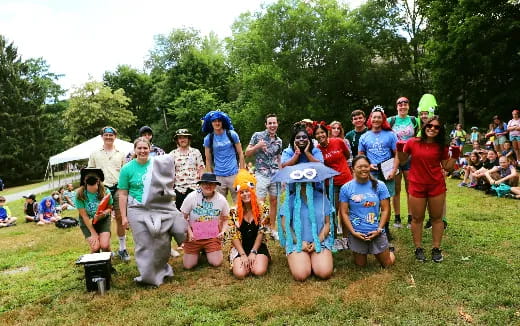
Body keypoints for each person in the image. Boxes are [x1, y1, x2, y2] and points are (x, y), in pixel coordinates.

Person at [119, 137, 186, 286]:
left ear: (150, 149)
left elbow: (169, 180)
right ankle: (148, 275)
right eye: (139, 148)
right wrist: (124, 217)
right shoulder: (127, 169)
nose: (142, 151)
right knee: (144, 242)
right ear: (134, 150)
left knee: (163, 239)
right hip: (137, 209)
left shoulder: (157, 165)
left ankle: (163, 268)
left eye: (145, 148)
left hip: (160, 206)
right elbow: (123, 194)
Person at [403, 116, 456, 263]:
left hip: (436, 185)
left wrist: (456, 155)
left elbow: (447, 167)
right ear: (424, 127)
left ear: (440, 130)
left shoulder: (441, 146)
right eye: (430, 126)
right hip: (417, 185)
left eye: (436, 127)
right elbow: (401, 160)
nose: (432, 129)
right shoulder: (413, 142)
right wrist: (399, 150)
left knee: (437, 218)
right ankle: (418, 248)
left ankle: (436, 248)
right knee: (417, 218)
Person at [279, 167, 334, 281]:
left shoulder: (322, 199)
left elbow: (328, 223)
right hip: (296, 242)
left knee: (324, 273)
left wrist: (317, 241)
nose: (304, 184)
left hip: (319, 241)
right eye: (301, 182)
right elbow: (285, 225)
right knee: (301, 275)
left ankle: (315, 260)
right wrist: (298, 242)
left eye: (307, 181)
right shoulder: (290, 200)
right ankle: (302, 259)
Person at [339, 155, 395, 267]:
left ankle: (390, 251)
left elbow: (385, 209)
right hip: (357, 233)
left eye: (366, 166)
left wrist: (379, 229)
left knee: (387, 264)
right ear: (353, 169)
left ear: (370, 167)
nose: (363, 169)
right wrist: (353, 232)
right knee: (360, 265)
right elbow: (344, 212)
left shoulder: (380, 185)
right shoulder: (346, 188)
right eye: (359, 167)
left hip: (376, 231)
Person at [88, 126, 129, 261]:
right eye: (106, 135)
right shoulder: (94, 154)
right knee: (102, 218)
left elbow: (125, 173)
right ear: (102, 137)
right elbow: (90, 173)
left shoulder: (120, 154)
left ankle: (122, 249)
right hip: (102, 190)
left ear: (115, 137)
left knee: (119, 218)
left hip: (118, 188)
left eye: (111, 135)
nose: (108, 137)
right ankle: (105, 248)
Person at [358, 106, 399, 239]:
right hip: (371, 174)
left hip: (387, 173)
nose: (376, 119)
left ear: (383, 119)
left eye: (379, 117)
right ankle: (371, 225)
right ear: (370, 119)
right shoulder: (364, 136)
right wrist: (368, 165)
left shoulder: (391, 135)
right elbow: (360, 155)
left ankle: (385, 228)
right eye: (374, 117)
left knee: (385, 202)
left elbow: (397, 154)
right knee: (370, 200)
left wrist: (394, 170)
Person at [314, 123, 352, 250]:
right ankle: (335, 239)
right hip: (331, 184)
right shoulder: (317, 149)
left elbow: (347, 155)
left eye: (322, 132)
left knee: (345, 211)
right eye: (317, 134)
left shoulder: (339, 142)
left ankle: (346, 238)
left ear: (327, 132)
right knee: (333, 212)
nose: (320, 135)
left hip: (346, 181)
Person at [180, 172, 230, 270]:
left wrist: (223, 231)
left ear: (216, 185)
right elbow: (182, 217)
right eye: (205, 183)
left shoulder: (221, 200)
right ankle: (198, 251)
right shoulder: (191, 197)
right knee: (188, 266)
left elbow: (226, 219)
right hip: (193, 236)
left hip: (212, 236)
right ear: (200, 184)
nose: (208, 185)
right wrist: (189, 233)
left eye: (211, 183)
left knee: (216, 263)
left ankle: (207, 250)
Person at [245, 113, 283, 240]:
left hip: (275, 175)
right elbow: (247, 153)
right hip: (261, 174)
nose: (272, 125)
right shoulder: (257, 136)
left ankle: (272, 229)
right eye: (270, 123)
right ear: (266, 125)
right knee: (259, 203)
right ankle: (260, 228)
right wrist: (257, 146)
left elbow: (279, 159)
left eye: (274, 123)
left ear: (277, 124)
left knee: (273, 201)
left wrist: (282, 175)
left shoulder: (279, 141)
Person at [227, 170, 270, 279]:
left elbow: (262, 232)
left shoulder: (263, 209)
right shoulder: (233, 212)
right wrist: (242, 254)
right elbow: (233, 235)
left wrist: (254, 252)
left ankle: (261, 259)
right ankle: (240, 260)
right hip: (240, 247)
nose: (245, 194)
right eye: (242, 192)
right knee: (240, 274)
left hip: (258, 246)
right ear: (238, 194)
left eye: (247, 191)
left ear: (252, 190)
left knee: (259, 271)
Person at [203, 111, 246, 202]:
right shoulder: (208, 138)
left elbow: (241, 153)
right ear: (211, 123)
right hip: (218, 176)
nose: (217, 123)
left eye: (219, 121)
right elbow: (208, 158)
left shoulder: (231, 134)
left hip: (234, 174)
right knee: (219, 204)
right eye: (214, 121)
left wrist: (242, 172)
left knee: (239, 203)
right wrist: (210, 176)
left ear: (223, 122)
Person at [388, 96, 418, 228]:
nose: (403, 106)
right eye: (400, 104)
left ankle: (411, 218)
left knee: (410, 188)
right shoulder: (391, 120)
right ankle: (397, 218)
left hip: (410, 158)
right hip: (395, 158)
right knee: (396, 188)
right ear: (397, 107)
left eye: (405, 104)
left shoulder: (414, 120)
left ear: (409, 106)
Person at [75, 168, 113, 253]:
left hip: (103, 219)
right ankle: (93, 264)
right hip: (87, 221)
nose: (92, 190)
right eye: (89, 188)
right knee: (95, 247)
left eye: (94, 188)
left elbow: (110, 208)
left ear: (98, 183)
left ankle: (108, 261)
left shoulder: (106, 191)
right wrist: (93, 233)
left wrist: (102, 214)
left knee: (104, 245)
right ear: (85, 184)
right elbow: (84, 216)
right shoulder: (79, 194)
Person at [170, 128, 205, 210]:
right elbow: (170, 172)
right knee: (180, 214)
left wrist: (203, 185)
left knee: (196, 214)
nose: (183, 140)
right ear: (177, 140)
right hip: (179, 189)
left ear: (189, 139)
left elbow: (201, 169)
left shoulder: (196, 152)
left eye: (185, 137)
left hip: (194, 188)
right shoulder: (172, 154)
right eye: (180, 138)